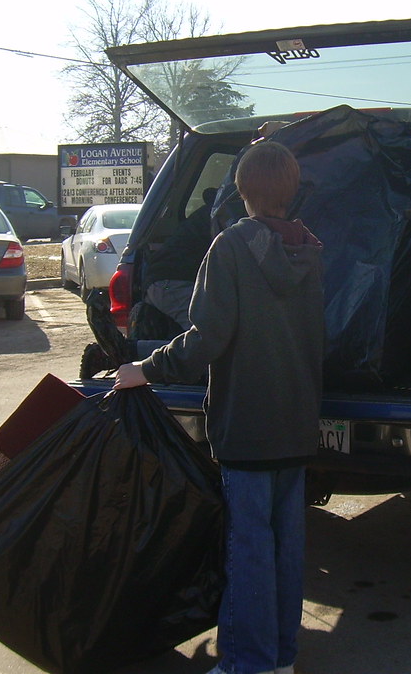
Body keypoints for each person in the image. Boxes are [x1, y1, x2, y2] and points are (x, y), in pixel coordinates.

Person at [113, 140, 325, 674]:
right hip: (297, 421)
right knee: (285, 547)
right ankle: (279, 658)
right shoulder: (310, 248)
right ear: (291, 189)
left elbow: (207, 337)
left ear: (241, 189)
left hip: (247, 423)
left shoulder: (229, 246)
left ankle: (247, 664)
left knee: (248, 548)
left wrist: (146, 369)